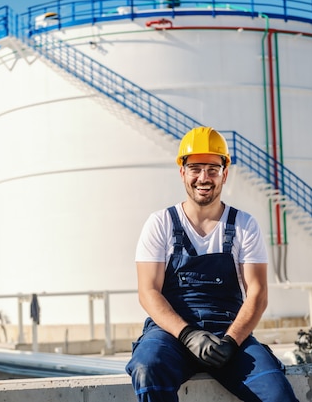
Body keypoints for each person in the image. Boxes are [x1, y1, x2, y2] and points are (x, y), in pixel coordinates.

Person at [125, 127, 298, 402]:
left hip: (227, 333)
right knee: (148, 367)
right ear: (182, 172)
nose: (203, 178)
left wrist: (231, 343)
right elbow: (148, 291)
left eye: (212, 169)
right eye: (195, 168)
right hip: (171, 335)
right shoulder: (161, 223)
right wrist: (188, 335)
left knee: (278, 395)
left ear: (224, 174)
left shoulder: (244, 225)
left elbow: (257, 293)